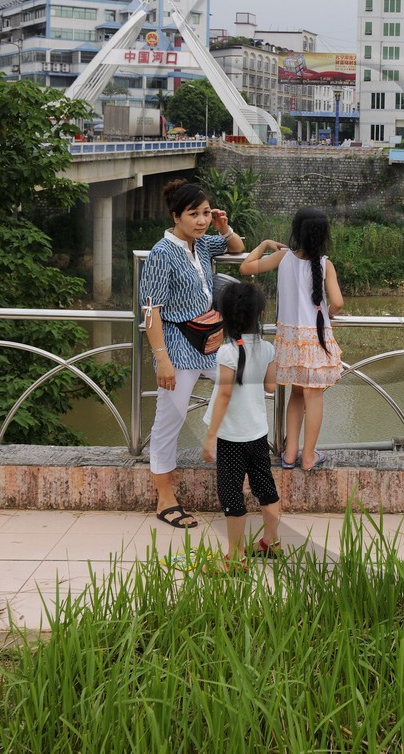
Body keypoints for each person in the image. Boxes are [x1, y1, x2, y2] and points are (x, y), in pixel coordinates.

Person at [138, 179, 246, 528]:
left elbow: (237, 246)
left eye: (205, 213)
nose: (201, 221)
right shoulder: (162, 253)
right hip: (177, 345)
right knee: (169, 419)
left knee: (241, 384)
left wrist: (223, 226)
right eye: (193, 214)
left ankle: (224, 453)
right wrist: (162, 358)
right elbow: (150, 310)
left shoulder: (201, 244)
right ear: (175, 216)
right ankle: (164, 497)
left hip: (209, 343)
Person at [239, 207, 344, 472]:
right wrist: (329, 312)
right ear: (324, 235)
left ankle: (289, 454)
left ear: (296, 232)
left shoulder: (282, 257)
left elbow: (245, 267)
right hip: (315, 339)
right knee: (313, 396)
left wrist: (265, 243)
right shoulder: (325, 264)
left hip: (288, 339)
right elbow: (338, 302)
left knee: (297, 394)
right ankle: (308, 456)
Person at [200, 280, 283, 563]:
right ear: (259, 315)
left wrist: (210, 436)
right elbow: (270, 387)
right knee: (265, 488)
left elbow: (224, 395)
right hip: (257, 433)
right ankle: (271, 542)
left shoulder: (227, 352)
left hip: (231, 437)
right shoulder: (267, 348)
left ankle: (235, 557)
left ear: (224, 316)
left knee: (231, 493)